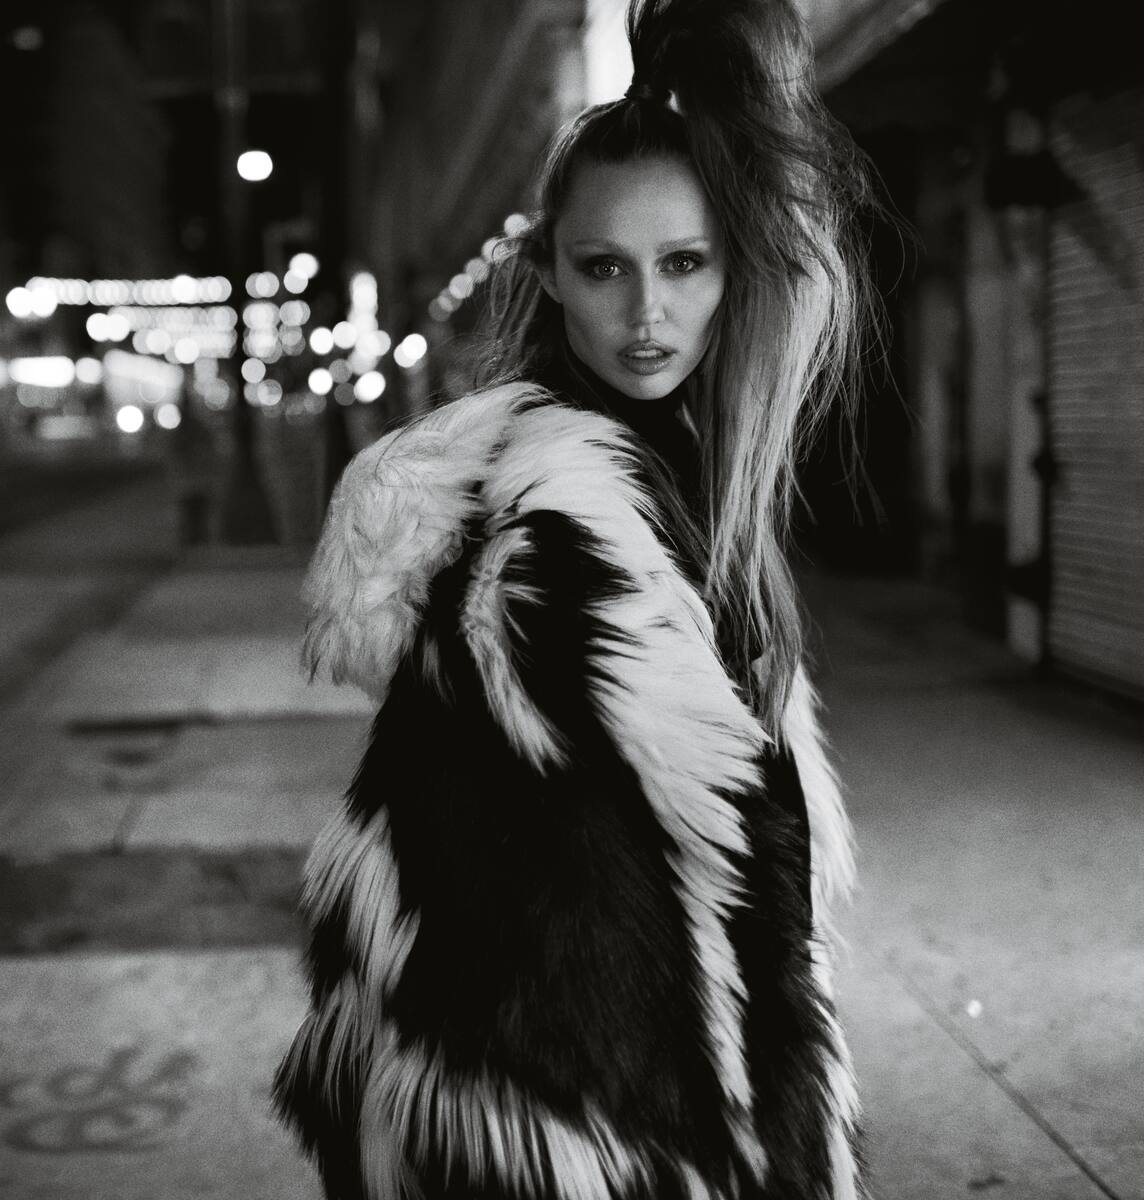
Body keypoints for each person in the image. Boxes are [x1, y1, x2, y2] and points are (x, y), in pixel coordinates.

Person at [274, 1, 874, 1196]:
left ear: (734, 270)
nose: (647, 315)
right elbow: (527, 932)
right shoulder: (547, 534)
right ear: (548, 274)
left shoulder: (679, 480)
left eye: (684, 263)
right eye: (605, 267)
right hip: (579, 1134)